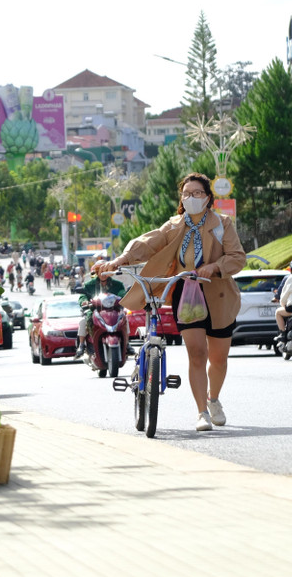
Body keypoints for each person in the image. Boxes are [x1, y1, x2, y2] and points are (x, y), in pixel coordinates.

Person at [96, 172, 246, 432]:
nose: (191, 198)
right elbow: (145, 243)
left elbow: (237, 258)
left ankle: (213, 400)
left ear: (208, 197)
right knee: (197, 354)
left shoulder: (223, 223)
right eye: (186, 194)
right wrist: (119, 260)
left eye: (197, 193)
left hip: (219, 296)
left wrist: (215, 267)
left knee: (218, 358)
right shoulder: (174, 226)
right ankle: (201, 412)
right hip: (186, 294)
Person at [74, 269, 129, 359]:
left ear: (109, 273)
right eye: (101, 271)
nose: (103, 274)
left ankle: (127, 344)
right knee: (83, 321)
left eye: (106, 271)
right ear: (97, 272)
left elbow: (121, 292)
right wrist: (84, 301)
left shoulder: (117, 284)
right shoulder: (89, 285)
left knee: (124, 318)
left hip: (113, 310)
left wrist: (123, 296)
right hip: (94, 310)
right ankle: (81, 345)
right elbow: (82, 296)